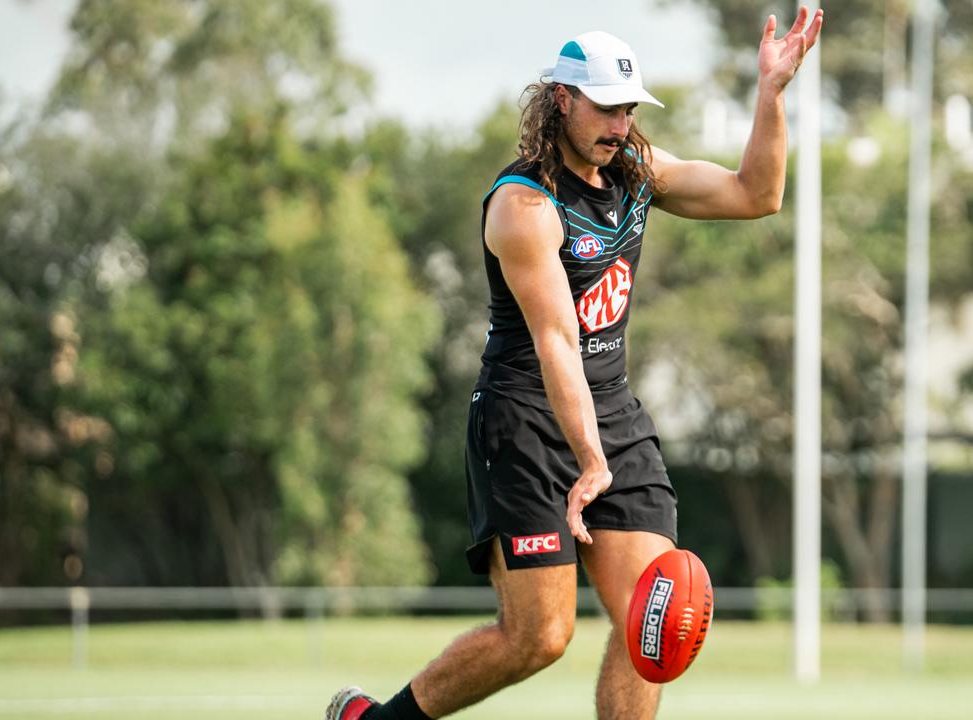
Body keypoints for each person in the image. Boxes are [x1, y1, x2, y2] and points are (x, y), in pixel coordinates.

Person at [327, 8, 823, 720]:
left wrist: (771, 95)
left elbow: (757, 195)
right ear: (561, 100)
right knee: (539, 637)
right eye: (605, 108)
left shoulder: (637, 175)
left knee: (652, 612)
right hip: (526, 421)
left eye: (628, 109)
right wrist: (588, 459)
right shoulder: (523, 206)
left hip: (612, 409)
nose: (620, 124)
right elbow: (557, 339)